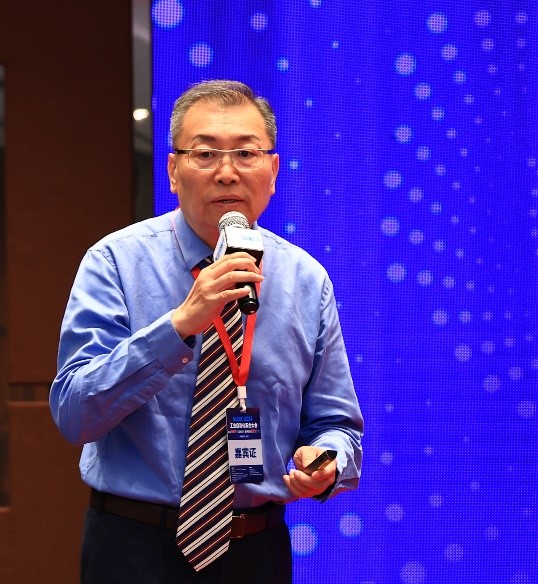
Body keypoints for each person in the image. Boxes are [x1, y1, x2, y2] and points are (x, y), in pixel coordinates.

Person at [50, 79, 363, 584]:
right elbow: (73, 413)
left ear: (273, 172)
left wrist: (327, 460)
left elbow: (337, 424)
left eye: (246, 153)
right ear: (173, 172)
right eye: (205, 154)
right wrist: (179, 325)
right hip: (134, 547)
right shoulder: (115, 262)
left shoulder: (306, 280)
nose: (227, 172)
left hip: (256, 549)